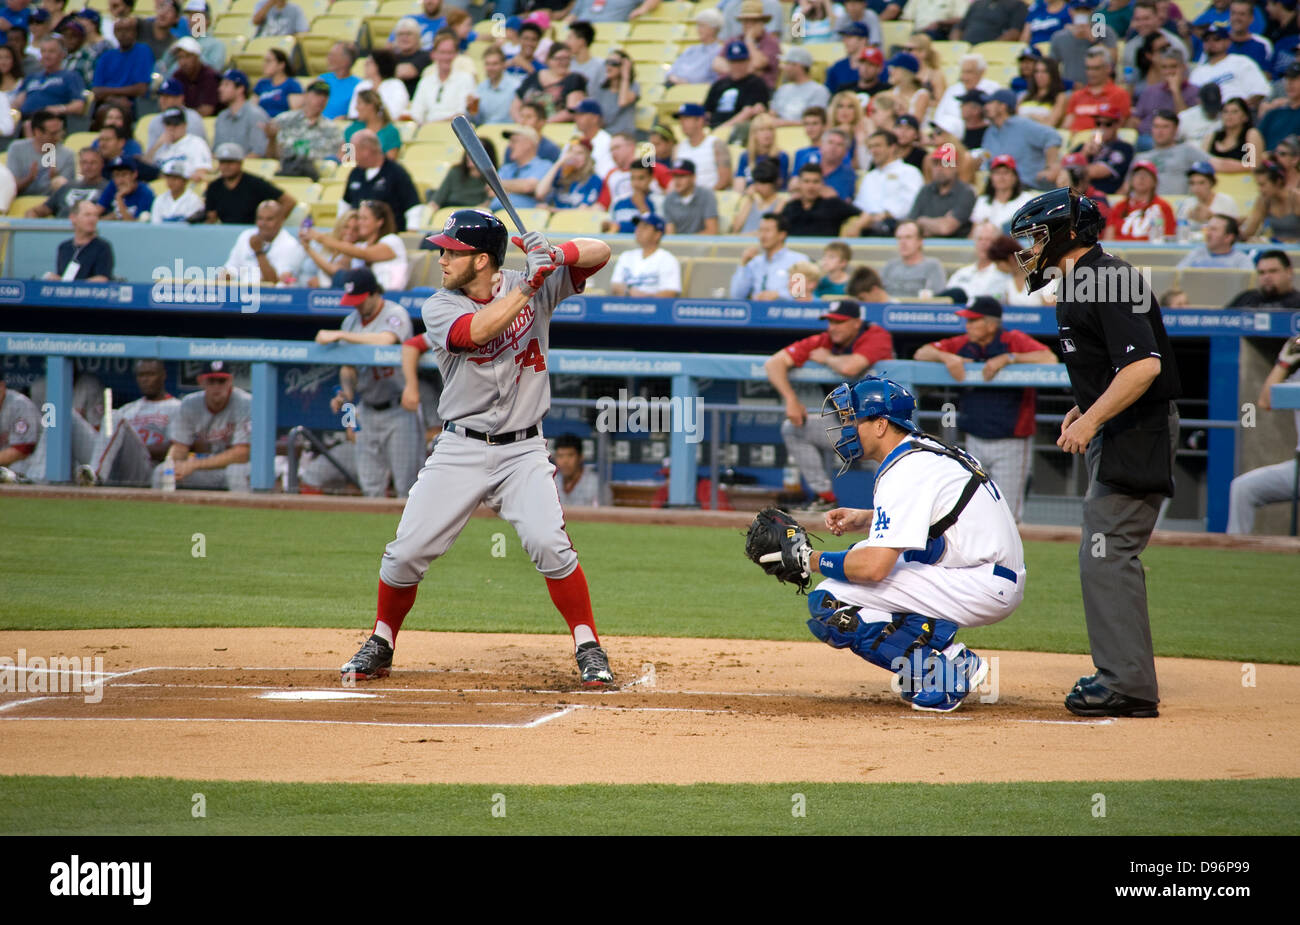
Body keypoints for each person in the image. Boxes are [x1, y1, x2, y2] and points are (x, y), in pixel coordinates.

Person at [338, 211, 616, 688]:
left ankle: (588, 645)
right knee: (405, 554)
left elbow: (601, 253)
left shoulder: (534, 277)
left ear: (483, 259)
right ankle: (381, 641)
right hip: (459, 446)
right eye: (442, 250)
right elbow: (476, 333)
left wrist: (557, 254)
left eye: (452, 251)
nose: (442, 258)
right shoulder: (440, 305)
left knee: (551, 544)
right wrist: (529, 286)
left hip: (523, 450)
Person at [1010, 186, 1181, 718]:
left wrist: (1093, 417)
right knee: (1105, 552)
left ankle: (1127, 685)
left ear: (1064, 232)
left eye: (1037, 236)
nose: (1030, 248)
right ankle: (1124, 676)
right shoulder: (1082, 282)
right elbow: (1113, 368)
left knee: (1108, 552)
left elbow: (1142, 367)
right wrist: (1083, 407)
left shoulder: (1106, 276)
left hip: (1138, 428)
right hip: (1122, 425)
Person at [763, 374, 1021, 712]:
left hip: (979, 582)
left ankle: (941, 676)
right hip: (984, 572)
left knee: (829, 599)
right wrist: (868, 517)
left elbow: (874, 569)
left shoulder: (903, 470)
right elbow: (939, 520)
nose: (846, 429)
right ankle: (950, 658)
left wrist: (806, 558)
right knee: (859, 554)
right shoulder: (926, 451)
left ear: (881, 424)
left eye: (852, 419)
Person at [913, 296, 1057, 522]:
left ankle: (1009, 559)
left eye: (973, 321)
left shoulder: (1012, 340)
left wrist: (1009, 358)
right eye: (968, 321)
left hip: (1012, 442)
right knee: (973, 509)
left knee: (1007, 514)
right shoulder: (963, 343)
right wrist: (946, 357)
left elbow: (1049, 359)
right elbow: (921, 353)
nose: (967, 325)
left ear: (991, 324)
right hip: (974, 439)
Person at [764, 299, 893, 511]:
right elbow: (773, 363)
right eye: (830, 322)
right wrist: (791, 399)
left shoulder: (876, 335)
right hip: (846, 424)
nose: (832, 327)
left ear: (855, 323)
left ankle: (896, 508)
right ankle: (825, 497)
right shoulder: (825, 341)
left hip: (883, 428)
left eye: (839, 322)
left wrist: (827, 359)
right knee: (794, 429)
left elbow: (852, 366)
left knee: (892, 470)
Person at [312, 267, 423, 498]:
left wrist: (342, 336)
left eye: (361, 300)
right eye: (353, 300)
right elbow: (348, 368)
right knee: (370, 487)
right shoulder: (350, 321)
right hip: (367, 411)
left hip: (399, 411)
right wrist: (346, 395)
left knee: (407, 487)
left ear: (374, 293)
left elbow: (386, 340)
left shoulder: (395, 313)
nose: (357, 305)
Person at [1228, 335, 1300, 534]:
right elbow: (1266, 401)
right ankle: (1236, 557)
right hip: (1298, 467)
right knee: (1243, 488)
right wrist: (1283, 363)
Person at [149, 360, 251, 491]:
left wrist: (195, 465)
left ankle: (241, 512)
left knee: (235, 472)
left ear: (230, 381)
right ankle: (163, 511)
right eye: (211, 381)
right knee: (162, 472)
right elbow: (180, 447)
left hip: (238, 467)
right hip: (205, 469)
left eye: (221, 381)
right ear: (201, 381)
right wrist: (174, 464)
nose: (216, 387)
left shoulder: (244, 403)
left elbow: (241, 454)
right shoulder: (190, 404)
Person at [77, 359, 181, 486]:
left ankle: (95, 476)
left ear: (163, 375)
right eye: (141, 375)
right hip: (113, 464)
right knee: (61, 415)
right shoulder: (128, 409)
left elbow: (176, 447)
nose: (145, 379)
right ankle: (48, 482)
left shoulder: (177, 407)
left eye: (151, 374)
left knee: (114, 415)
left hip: (144, 467)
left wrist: (129, 446)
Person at [340, 130, 419, 232]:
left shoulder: (396, 172)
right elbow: (345, 204)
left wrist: (411, 233)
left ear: (367, 150)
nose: (351, 156)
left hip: (390, 235)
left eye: (354, 151)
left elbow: (412, 205)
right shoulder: (355, 173)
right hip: (358, 237)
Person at [982, 89, 1062, 190]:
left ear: (1003, 106)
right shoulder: (989, 132)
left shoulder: (1022, 125)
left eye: (990, 103)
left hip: (1027, 187)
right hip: (999, 189)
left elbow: (1053, 136)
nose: (985, 107)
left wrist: (1051, 167)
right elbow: (987, 160)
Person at [853, 130, 924, 237]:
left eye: (877, 146)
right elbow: (860, 205)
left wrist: (886, 214)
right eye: (870, 147)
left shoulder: (909, 172)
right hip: (867, 229)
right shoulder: (869, 177)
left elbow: (912, 203)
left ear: (892, 147)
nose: (873, 151)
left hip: (896, 229)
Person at [220, 198, 306, 284]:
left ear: (281, 220)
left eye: (269, 219)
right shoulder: (246, 236)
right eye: (260, 218)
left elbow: (275, 283)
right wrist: (217, 284)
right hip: (243, 292)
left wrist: (259, 252)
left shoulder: (291, 245)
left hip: (270, 295)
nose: (263, 223)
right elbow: (231, 268)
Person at [204, 142, 294, 224]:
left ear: (240, 163)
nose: (226, 166)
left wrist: (274, 224)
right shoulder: (214, 187)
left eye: (231, 162)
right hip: (227, 231)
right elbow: (211, 217)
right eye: (222, 162)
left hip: (254, 231)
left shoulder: (255, 184)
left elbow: (289, 201)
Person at [265, 81, 343, 175]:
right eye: (317, 94)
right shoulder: (284, 120)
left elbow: (341, 159)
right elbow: (270, 157)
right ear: (306, 96)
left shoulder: (333, 129)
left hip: (318, 174)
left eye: (325, 96)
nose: (321, 99)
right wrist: (271, 140)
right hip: (287, 171)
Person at [729, 213, 808, 300]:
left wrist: (778, 295)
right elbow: (736, 296)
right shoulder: (754, 262)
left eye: (767, 231)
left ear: (782, 235)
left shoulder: (798, 260)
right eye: (760, 231)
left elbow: (800, 294)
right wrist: (743, 264)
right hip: (756, 310)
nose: (762, 236)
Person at [1191, 24, 1270, 108]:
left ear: (1228, 42)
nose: (1211, 43)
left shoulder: (1241, 62)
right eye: (1206, 40)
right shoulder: (1197, 73)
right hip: (1211, 115)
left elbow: (1260, 92)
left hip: (1241, 111)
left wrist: (1239, 110)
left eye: (1216, 39)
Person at [703, 40, 770, 133]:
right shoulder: (719, 84)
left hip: (737, 130)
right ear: (728, 62)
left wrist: (721, 130)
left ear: (748, 61)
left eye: (740, 61)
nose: (737, 66)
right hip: (712, 128)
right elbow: (707, 111)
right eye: (733, 62)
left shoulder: (756, 84)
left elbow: (748, 113)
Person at [12, 34, 84, 120]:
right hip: (25, 118)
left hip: (50, 120)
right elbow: (17, 103)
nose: (46, 55)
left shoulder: (70, 76)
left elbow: (79, 105)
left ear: (62, 54)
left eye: (51, 51)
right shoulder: (31, 77)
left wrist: (59, 109)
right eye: (43, 51)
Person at [409, 30, 475, 124]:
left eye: (450, 52)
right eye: (442, 52)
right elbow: (416, 114)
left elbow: (461, 115)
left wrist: (433, 125)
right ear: (434, 54)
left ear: (456, 54)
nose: (446, 57)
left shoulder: (465, 78)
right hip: (426, 131)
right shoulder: (425, 81)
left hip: (453, 131)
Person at [778, 162, 860, 236]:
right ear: (799, 184)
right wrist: (786, 201)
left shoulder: (833, 204)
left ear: (822, 183)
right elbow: (773, 224)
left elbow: (865, 215)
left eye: (815, 182)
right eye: (806, 181)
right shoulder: (791, 206)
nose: (811, 186)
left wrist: (857, 226)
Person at [909, 149, 976, 238]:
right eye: (936, 164)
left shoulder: (966, 192)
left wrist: (922, 220)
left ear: (955, 167)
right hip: (925, 245)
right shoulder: (926, 190)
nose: (939, 169)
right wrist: (940, 222)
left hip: (954, 247)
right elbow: (911, 224)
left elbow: (946, 228)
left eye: (945, 164)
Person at [89, 15, 152, 109]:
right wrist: (115, 100)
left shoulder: (143, 51)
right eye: (119, 30)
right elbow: (97, 90)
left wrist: (107, 92)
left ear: (135, 32)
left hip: (132, 106)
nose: (123, 34)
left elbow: (141, 89)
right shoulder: (106, 56)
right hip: (106, 104)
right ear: (114, 33)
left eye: (127, 30)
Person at [931, 53, 1000, 137]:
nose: (964, 77)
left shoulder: (993, 89)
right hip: (950, 136)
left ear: (981, 72)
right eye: (962, 72)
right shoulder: (953, 89)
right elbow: (939, 115)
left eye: (969, 72)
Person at [1104, 160, 1175, 241]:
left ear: (1154, 181)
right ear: (1131, 180)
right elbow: (1108, 238)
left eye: (1146, 175)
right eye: (1138, 174)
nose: (1142, 178)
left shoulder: (1163, 207)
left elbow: (1169, 238)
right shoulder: (1119, 207)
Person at [8, 108, 73, 195]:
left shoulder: (67, 155)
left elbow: (67, 194)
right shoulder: (17, 148)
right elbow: (9, 189)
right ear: (37, 132)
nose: (58, 137)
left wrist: (55, 181)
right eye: (53, 133)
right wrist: (29, 179)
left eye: (60, 132)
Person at [45, 199, 112, 280]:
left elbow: (102, 279)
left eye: (95, 215)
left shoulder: (102, 247)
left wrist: (75, 285)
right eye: (87, 215)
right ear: (73, 218)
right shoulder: (64, 247)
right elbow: (62, 277)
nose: (92, 219)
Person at [27, 146, 104, 217]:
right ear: (80, 164)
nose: (88, 167)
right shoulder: (67, 187)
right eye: (84, 162)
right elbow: (40, 210)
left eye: (93, 163)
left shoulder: (107, 188)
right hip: (61, 230)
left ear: (102, 164)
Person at [672, 102, 731, 191]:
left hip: (711, 197)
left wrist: (704, 198)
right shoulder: (677, 148)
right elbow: (675, 179)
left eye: (686, 119)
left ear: (699, 120)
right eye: (681, 119)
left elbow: (725, 180)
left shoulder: (716, 144)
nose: (682, 123)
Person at [142, 106, 212, 180]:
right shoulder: (160, 145)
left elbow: (201, 173)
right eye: (168, 124)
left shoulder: (196, 143)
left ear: (185, 125)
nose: (171, 128)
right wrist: (157, 145)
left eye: (175, 125)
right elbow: (144, 169)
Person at [426, 141, 496, 214]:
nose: (470, 155)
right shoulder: (456, 172)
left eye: (476, 152)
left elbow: (487, 206)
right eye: (468, 151)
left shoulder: (492, 179)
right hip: (449, 211)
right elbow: (437, 200)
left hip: (473, 215)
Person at [946, 222, 1013, 298]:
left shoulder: (1003, 274)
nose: (983, 243)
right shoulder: (961, 273)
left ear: (997, 243)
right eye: (980, 239)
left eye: (988, 240)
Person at [493, 125, 553, 210]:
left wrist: (501, 186)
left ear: (528, 144)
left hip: (527, 218)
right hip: (498, 216)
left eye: (514, 141)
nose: (509, 145)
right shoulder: (506, 168)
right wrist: (518, 187)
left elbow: (528, 187)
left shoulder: (544, 165)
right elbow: (490, 189)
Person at [881, 220, 946, 297]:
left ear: (920, 241)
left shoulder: (932, 266)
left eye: (908, 237)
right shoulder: (890, 266)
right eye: (899, 238)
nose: (903, 242)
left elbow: (938, 297)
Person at [971, 154, 1035, 232]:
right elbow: (975, 231)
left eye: (1006, 172)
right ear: (991, 177)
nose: (1001, 177)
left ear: (1014, 177)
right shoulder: (983, 200)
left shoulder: (1025, 199)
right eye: (997, 173)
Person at [213, 68, 269, 158]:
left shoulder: (256, 115)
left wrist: (231, 165)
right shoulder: (221, 116)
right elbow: (216, 151)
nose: (220, 89)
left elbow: (258, 153)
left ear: (240, 89)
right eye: (221, 85)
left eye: (226, 85)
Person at [1239, 161, 1300, 241]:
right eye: (1258, 185)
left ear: (1278, 182)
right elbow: (1249, 231)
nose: (1260, 189)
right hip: (1277, 249)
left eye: (1263, 185)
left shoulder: (1296, 198)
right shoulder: (1263, 200)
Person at [536, 137, 602, 211]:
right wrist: (558, 163)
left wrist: (552, 210)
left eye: (579, 153)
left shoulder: (594, 179)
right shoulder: (560, 175)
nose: (574, 156)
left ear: (587, 157)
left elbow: (582, 210)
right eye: (571, 152)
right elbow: (540, 193)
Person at [1175, 160, 1239, 231]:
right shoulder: (1187, 203)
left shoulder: (1226, 201)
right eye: (1192, 183)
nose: (1196, 188)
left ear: (1212, 183)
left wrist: (1212, 217)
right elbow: (1179, 230)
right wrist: (1187, 217)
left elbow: (1233, 230)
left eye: (1201, 183)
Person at [1226, 249, 1300, 308]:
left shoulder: (1297, 302)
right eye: (1262, 272)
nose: (1266, 277)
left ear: (1289, 272)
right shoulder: (1246, 298)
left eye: (1273, 271)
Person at [662, 158, 719, 234]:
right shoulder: (669, 199)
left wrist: (687, 243)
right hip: (678, 244)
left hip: (703, 244)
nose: (677, 180)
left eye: (682, 176)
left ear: (693, 177)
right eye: (675, 176)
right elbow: (670, 232)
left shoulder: (706, 195)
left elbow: (712, 231)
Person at [349, 50, 408, 124]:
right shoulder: (361, 86)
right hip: (361, 125)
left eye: (369, 63)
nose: (365, 66)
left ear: (379, 65)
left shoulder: (396, 85)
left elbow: (395, 112)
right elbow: (353, 112)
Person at [734, 112, 788, 192]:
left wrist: (755, 188)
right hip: (749, 198)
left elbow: (779, 184)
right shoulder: (745, 156)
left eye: (770, 129)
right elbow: (739, 183)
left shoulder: (781, 156)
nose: (767, 134)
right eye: (762, 130)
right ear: (754, 134)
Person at [1176, 215, 1255, 268]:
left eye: (1214, 230)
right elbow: (1176, 278)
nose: (1208, 233)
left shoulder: (1241, 261)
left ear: (1228, 237)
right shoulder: (1196, 254)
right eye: (1208, 229)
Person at [731, 156, 786, 233]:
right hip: (743, 242)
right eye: (757, 183)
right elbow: (736, 228)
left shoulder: (781, 202)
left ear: (773, 183)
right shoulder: (751, 200)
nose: (759, 187)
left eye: (763, 183)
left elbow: (769, 229)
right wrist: (750, 200)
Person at [170, 35, 219, 116]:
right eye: (179, 57)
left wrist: (183, 115)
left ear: (197, 57)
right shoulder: (177, 76)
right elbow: (170, 104)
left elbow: (207, 110)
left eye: (187, 56)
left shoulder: (209, 76)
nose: (183, 62)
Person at [472, 46, 521, 127]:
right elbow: (476, 120)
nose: (490, 68)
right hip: (485, 133)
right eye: (487, 64)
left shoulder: (516, 86)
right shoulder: (480, 88)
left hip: (508, 133)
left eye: (495, 64)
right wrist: (472, 108)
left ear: (503, 64)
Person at [1258, 61, 1300, 150]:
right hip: (1266, 162)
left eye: (1295, 79)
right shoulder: (1273, 114)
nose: (1290, 83)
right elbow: (1256, 138)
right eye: (1287, 79)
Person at [97, 155, 153, 220]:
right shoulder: (113, 186)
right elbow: (96, 212)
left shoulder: (145, 192)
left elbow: (136, 227)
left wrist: (119, 198)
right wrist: (109, 217)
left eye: (124, 174)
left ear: (134, 174)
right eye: (116, 175)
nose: (120, 180)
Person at [552, 433, 600, 507]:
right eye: (560, 456)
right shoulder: (552, 482)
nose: (565, 461)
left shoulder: (596, 484)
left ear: (581, 457)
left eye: (570, 455)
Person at [252, 47, 300, 120]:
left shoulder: (292, 84)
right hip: (261, 124)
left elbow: (295, 113)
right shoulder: (261, 84)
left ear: (281, 65)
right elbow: (252, 109)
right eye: (264, 61)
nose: (265, 65)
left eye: (269, 61)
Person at [318, 41, 359, 120]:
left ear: (346, 61)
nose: (328, 58)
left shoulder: (359, 85)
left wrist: (346, 118)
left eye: (333, 55)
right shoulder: (322, 80)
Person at [389, 18, 430, 97]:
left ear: (418, 37)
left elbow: (406, 72)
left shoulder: (425, 56)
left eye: (409, 34)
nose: (404, 38)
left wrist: (383, 72)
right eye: (400, 34)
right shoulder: (392, 57)